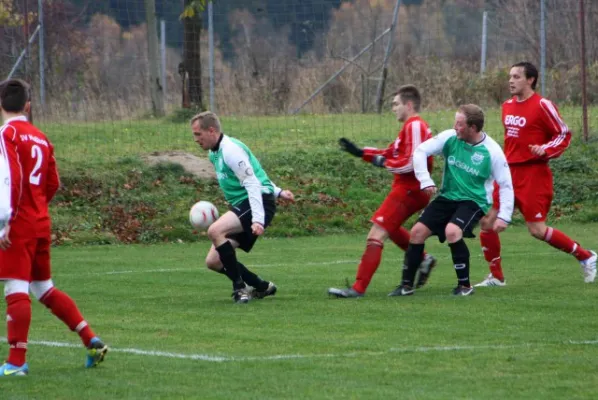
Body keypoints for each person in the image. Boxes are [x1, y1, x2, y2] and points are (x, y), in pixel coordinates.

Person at [0, 79, 107, 377]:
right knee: (43, 287)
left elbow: (10, 178)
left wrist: (5, 221)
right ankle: (91, 341)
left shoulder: (6, 134)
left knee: (15, 287)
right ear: (28, 106)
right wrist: (37, 206)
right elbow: (53, 183)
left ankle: (16, 362)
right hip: (40, 221)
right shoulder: (42, 138)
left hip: (17, 223)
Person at [475, 62, 596, 287]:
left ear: (530, 80)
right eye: (510, 76)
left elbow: (563, 134)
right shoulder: (507, 106)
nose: (511, 81)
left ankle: (586, 256)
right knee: (487, 221)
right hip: (508, 173)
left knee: (537, 230)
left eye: (517, 76)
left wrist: (546, 150)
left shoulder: (543, 105)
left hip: (533, 175)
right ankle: (497, 277)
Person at [390, 104, 514, 297]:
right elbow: (421, 151)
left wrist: (504, 216)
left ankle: (465, 287)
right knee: (416, 232)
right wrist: (425, 180)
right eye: (455, 122)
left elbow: (506, 184)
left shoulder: (492, 152)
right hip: (447, 197)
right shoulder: (450, 138)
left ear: (472, 128)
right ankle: (406, 286)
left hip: (474, 201)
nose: (455, 127)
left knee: (452, 231)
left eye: (460, 124)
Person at [328, 85, 437, 298]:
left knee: (376, 233)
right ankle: (423, 259)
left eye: (396, 104)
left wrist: (384, 163)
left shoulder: (415, 125)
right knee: (391, 228)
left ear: (409, 104)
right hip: (408, 188)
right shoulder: (409, 127)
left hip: (410, 188)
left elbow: (412, 162)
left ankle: (358, 288)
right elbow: (388, 152)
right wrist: (361, 153)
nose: (393, 108)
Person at [191, 111, 295, 304]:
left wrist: (257, 219)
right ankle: (262, 286)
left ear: (211, 130)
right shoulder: (214, 153)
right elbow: (256, 171)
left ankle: (240, 289)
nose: (195, 139)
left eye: (198, 134)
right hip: (246, 204)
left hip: (257, 202)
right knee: (213, 262)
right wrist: (279, 191)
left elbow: (253, 183)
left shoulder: (231, 150)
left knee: (215, 230)